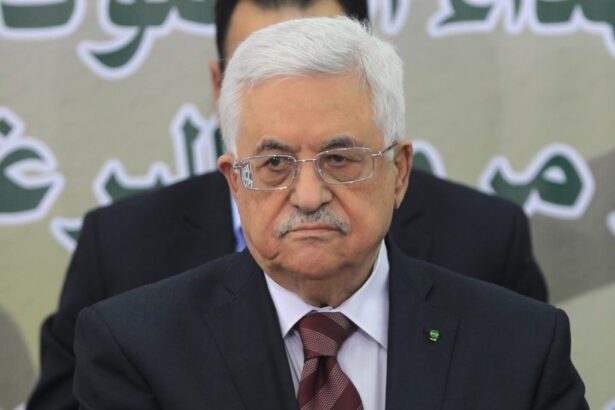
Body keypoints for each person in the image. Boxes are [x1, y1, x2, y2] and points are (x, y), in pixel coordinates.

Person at [27, 0, 547, 408]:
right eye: (275, 163)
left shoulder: (521, 340)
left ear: (399, 172)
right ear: (235, 182)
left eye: (340, 159)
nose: (308, 196)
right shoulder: (134, 341)